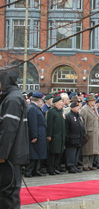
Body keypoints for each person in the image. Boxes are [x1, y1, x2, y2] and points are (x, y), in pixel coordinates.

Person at [0, 67, 29, 209]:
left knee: (7, 195)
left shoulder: (12, 99)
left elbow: (9, 130)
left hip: (9, 157)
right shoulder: (13, 97)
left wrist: (2, 154)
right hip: (12, 155)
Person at [25, 92, 47, 177]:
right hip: (36, 134)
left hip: (40, 134)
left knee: (38, 153)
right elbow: (33, 123)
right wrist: (34, 135)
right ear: (38, 100)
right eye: (41, 100)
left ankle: (36, 170)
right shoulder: (32, 109)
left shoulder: (36, 108)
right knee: (33, 154)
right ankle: (29, 171)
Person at [65, 101, 86, 173]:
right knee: (71, 153)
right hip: (72, 138)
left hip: (79, 138)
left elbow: (82, 125)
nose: (78, 108)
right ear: (72, 108)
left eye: (78, 106)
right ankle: (70, 166)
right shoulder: (68, 116)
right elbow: (66, 128)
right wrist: (67, 138)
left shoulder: (79, 116)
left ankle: (75, 165)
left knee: (77, 153)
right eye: (76, 107)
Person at [46, 96, 66, 175]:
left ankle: (56, 167)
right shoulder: (52, 112)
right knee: (53, 153)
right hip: (54, 136)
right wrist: (49, 135)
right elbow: (50, 124)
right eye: (61, 102)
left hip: (60, 136)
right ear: (56, 103)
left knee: (59, 153)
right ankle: (51, 169)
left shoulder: (60, 112)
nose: (62, 103)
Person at [79, 94, 99, 171]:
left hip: (95, 132)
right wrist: (85, 133)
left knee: (93, 150)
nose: (94, 102)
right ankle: (85, 165)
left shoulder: (95, 109)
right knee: (87, 150)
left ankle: (90, 164)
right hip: (89, 132)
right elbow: (84, 123)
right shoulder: (84, 109)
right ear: (89, 101)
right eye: (93, 101)